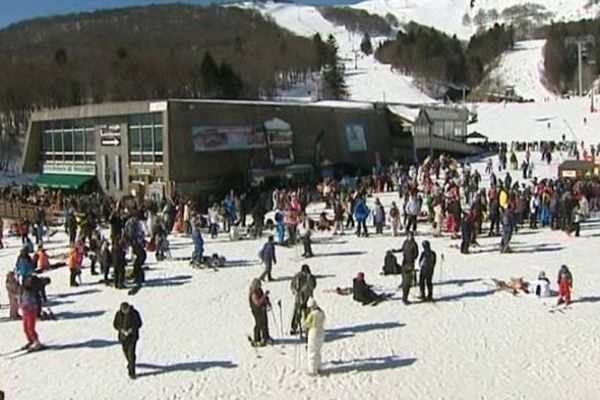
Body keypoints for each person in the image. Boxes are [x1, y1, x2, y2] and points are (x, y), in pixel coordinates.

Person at [113, 302, 143, 379]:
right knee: (126, 352)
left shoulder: (135, 313)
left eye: (126, 310)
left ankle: (131, 372)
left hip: (132, 337)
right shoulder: (118, 314)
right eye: (123, 310)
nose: (125, 311)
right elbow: (115, 324)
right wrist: (121, 330)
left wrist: (131, 329)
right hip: (123, 338)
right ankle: (130, 362)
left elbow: (139, 323)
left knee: (131, 353)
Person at [290, 264, 317, 335]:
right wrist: (296, 291)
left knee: (302, 311)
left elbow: (313, 286)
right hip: (301, 297)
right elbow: (292, 286)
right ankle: (297, 327)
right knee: (299, 312)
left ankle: (302, 327)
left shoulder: (308, 277)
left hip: (303, 297)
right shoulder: (301, 277)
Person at [302, 298, 325, 376]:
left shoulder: (312, 314)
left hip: (313, 333)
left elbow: (306, 324)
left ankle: (312, 370)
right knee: (318, 350)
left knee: (312, 351)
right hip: (321, 332)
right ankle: (318, 367)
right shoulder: (321, 312)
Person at [20, 275, 43, 350]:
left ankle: (36, 342)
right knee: (25, 328)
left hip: (31, 311)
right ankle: (31, 340)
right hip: (25, 311)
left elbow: (35, 302)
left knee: (30, 327)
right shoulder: (23, 290)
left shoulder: (32, 292)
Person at [248, 278, 272, 346]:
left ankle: (266, 337)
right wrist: (264, 296)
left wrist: (267, 301)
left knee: (265, 323)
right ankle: (257, 338)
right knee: (259, 324)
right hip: (257, 311)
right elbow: (257, 302)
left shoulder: (259, 290)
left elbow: (263, 298)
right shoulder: (253, 293)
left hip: (262, 309)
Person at [400, 232, 419, 304]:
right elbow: (402, 249)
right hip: (404, 261)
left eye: (411, 236)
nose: (410, 237)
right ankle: (403, 282)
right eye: (408, 236)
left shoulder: (414, 244)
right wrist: (396, 251)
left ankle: (413, 281)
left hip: (410, 262)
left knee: (410, 274)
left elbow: (416, 253)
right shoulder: (405, 242)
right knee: (403, 273)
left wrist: (413, 257)